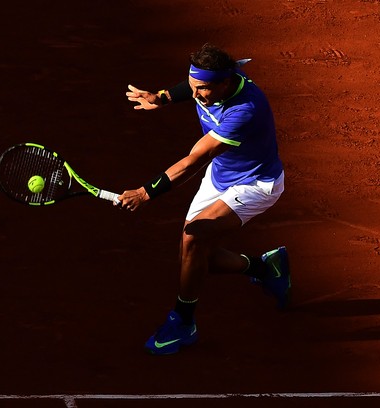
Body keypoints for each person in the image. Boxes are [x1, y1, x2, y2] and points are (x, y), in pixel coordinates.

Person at [118, 43, 290, 355]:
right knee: (194, 256)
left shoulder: (245, 110)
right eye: (193, 86)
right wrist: (163, 97)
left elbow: (192, 161)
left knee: (192, 240)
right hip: (221, 175)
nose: (197, 95)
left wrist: (145, 193)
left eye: (204, 90)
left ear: (225, 82)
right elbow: (193, 85)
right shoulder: (215, 81)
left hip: (255, 183)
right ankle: (266, 269)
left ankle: (183, 323)